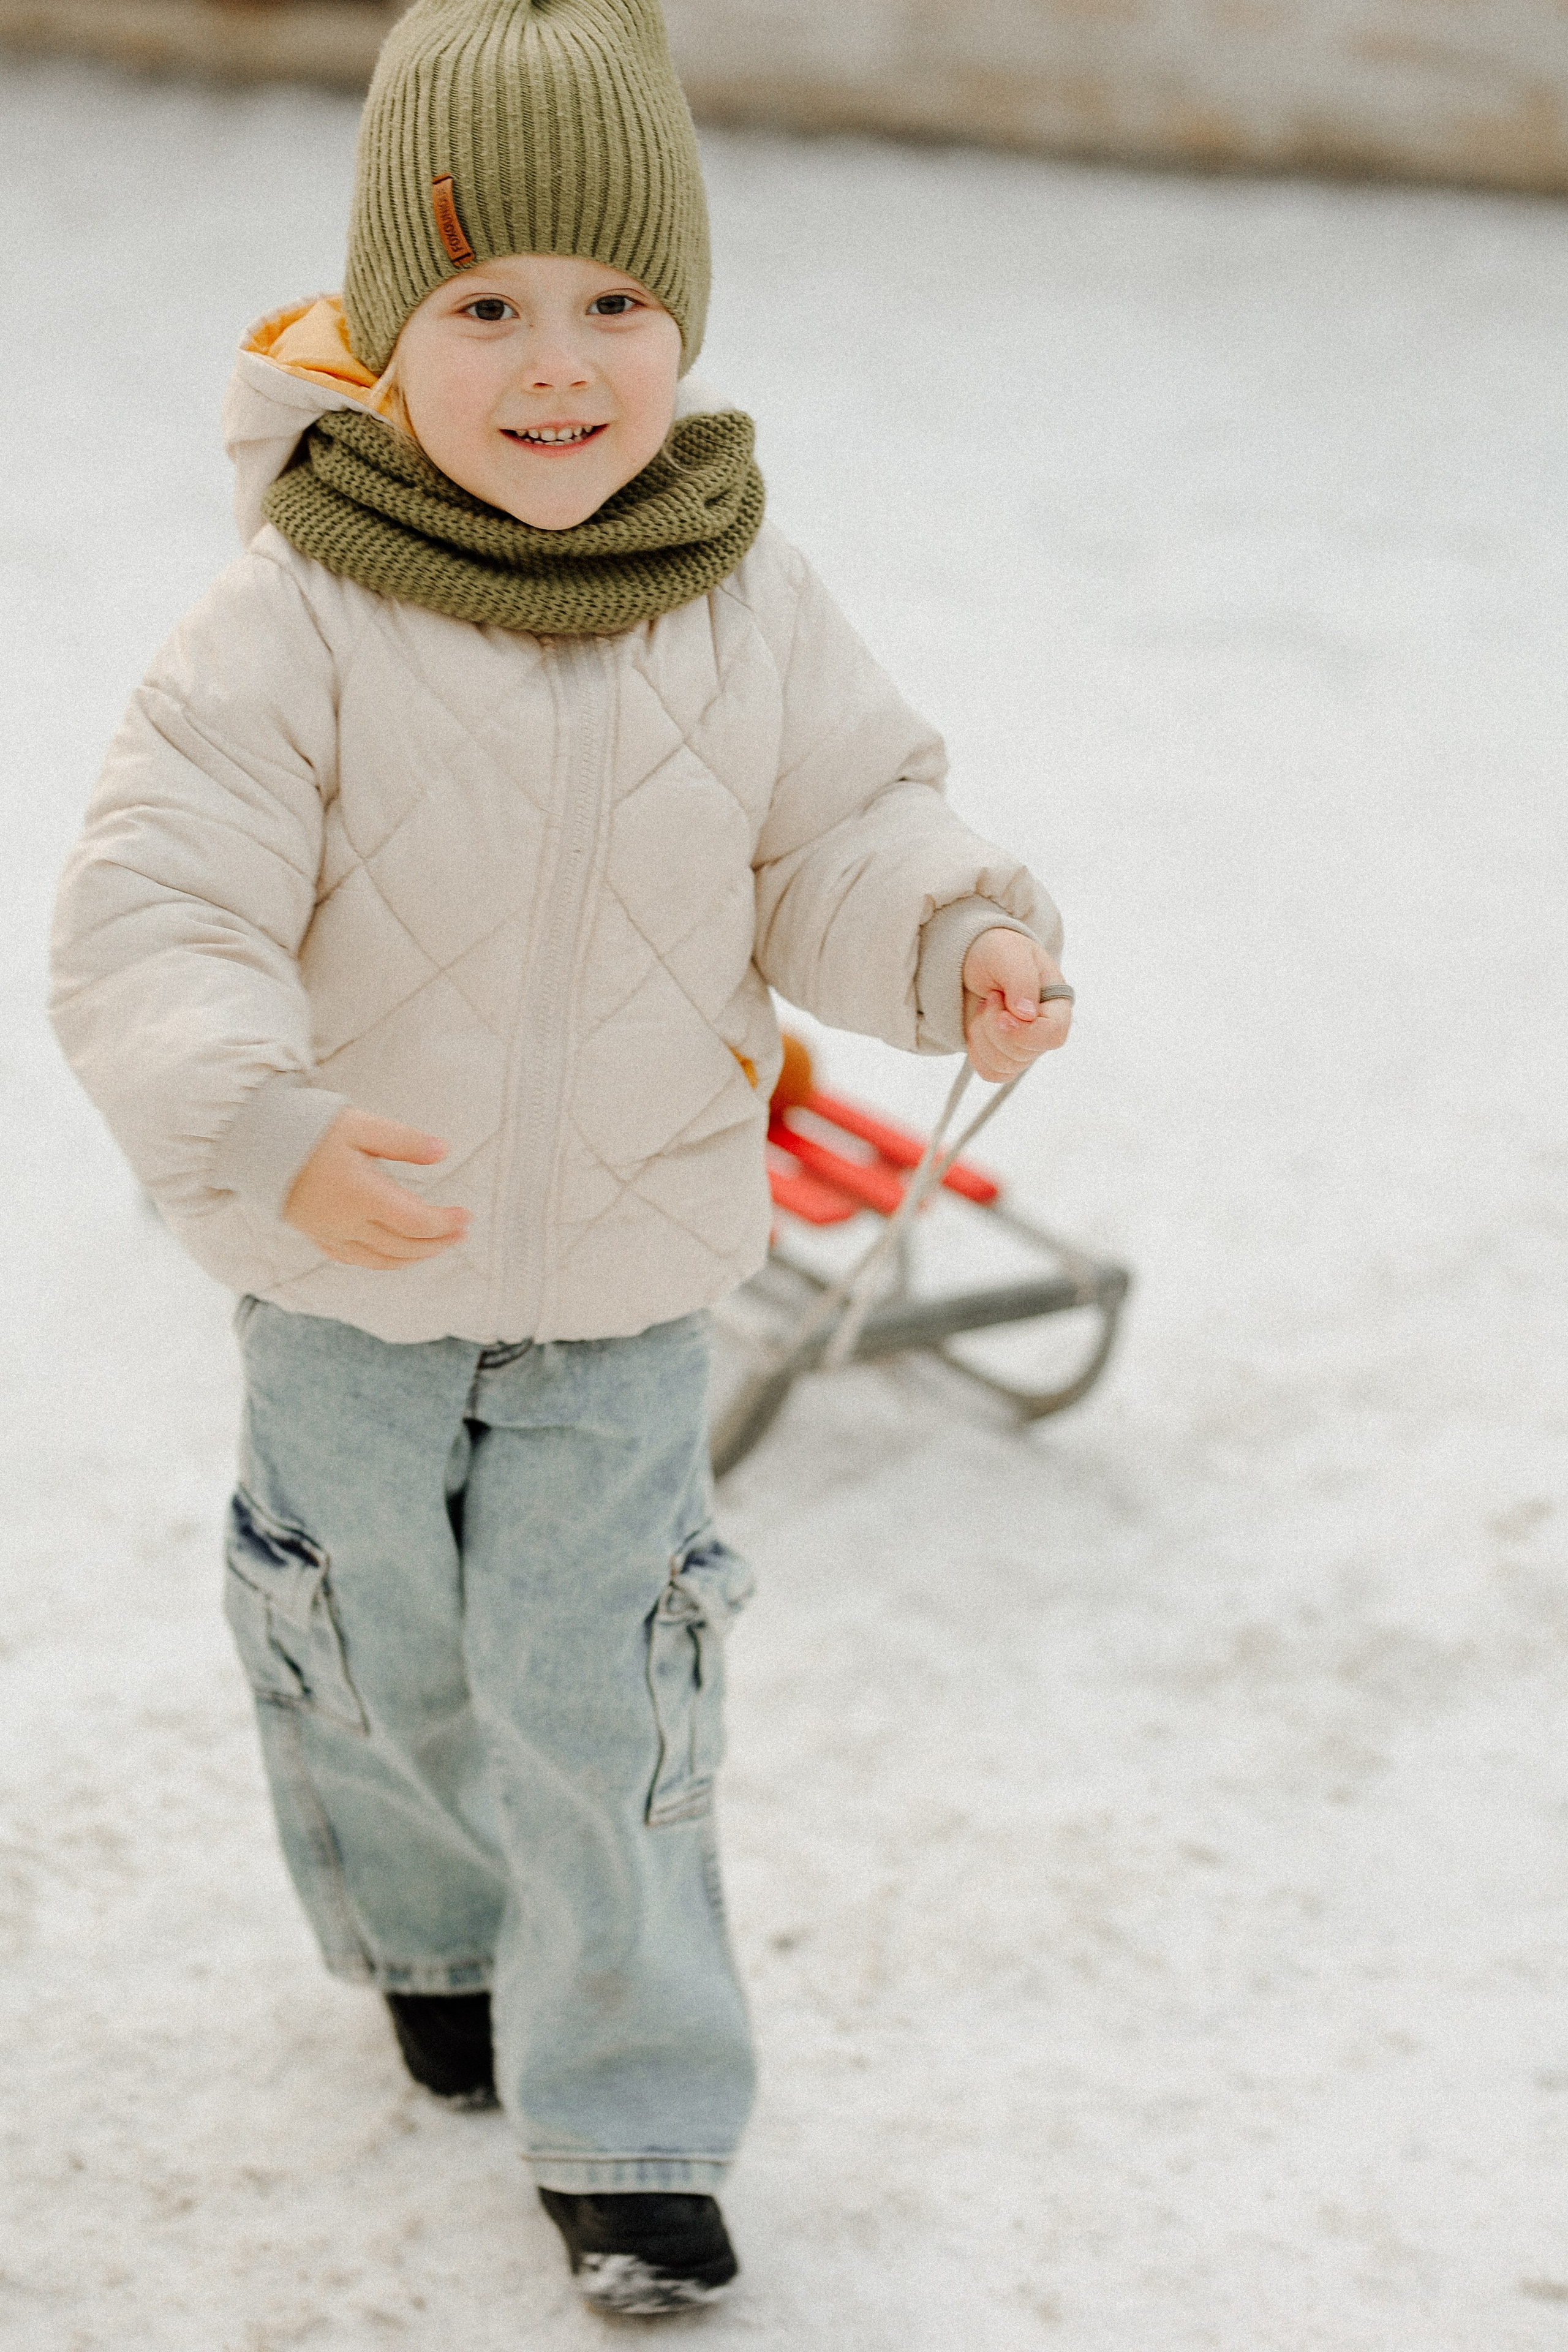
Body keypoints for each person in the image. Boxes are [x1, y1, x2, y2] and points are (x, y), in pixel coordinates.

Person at [49, 0, 1072, 2316]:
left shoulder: (739, 586)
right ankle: (428, 1933)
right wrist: (265, 1121)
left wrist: (955, 934)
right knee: (371, 1651)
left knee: (604, 1694)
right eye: (483, 304)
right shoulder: (294, 610)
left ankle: (625, 2116)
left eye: (616, 302)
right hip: (347, 1270)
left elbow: (846, 827)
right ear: (384, 336)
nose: (555, 363)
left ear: (685, 320)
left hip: (623, 1284)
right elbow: (157, 909)